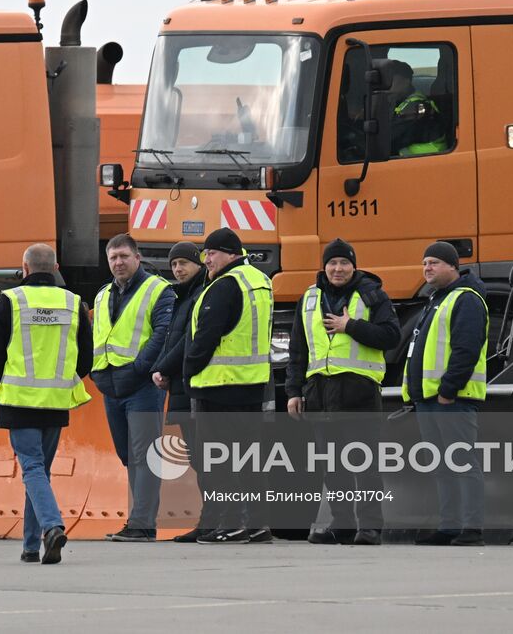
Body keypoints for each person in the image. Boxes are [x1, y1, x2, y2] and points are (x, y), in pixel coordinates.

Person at [285, 238, 401, 546]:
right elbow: (298, 350)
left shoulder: (373, 295)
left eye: (344, 263)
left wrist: (351, 326)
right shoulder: (309, 298)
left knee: (363, 465)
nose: (338, 269)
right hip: (320, 394)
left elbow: (391, 336)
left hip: (359, 394)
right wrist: (293, 391)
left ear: (354, 266)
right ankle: (343, 523)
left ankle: (371, 526)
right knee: (332, 467)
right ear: (324, 267)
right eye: (333, 263)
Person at [0, 243, 93, 565]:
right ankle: (32, 546)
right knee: (39, 472)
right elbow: (85, 356)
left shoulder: (11, 300)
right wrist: (65, 380)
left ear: (25, 268)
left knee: (31, 468)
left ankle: (52, 526)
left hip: (18, 400)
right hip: (56, 402)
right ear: (56, 267)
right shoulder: (73, 303)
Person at [183, 227, 274, 545]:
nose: (207, 259)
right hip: (251, 385)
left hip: (219, 386)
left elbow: (206, 336)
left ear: (232, 254)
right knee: (247, 459)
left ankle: (231, 522)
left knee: (220, 462)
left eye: (213, 253)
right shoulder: (259, 280)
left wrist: (189, 370)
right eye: (205, 253)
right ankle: (256, 523)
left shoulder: (226, 285)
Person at [401, 241, 488, 546]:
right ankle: (450, 525)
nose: (428, 268)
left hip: (451, 399)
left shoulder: (466, 300)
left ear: (453, 266)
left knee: (461, 461)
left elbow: (466, 350)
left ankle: (471, 527)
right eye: (425, 262)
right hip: (430, 399)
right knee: (441, 464)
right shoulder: (437, 300)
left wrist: (448, 390)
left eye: (435, 262)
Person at [91, 234, 173, 542]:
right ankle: (139, 519)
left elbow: (163, 333)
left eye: (124, 256)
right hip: (111, 386)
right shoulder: (102, 295)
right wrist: (94, 371)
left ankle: (142, 523)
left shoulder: (157, 290)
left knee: (144, 454)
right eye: (113, 258)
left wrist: (141, 368)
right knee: (127, 454)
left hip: (142, 386)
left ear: (137, 257)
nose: (118, 262)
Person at [151, 242, 209, 542]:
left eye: (184, 263)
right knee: (199, 459)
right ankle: (209, 519)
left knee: (206, 458)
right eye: (174, 264)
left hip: (193, 386)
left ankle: (213, 520)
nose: (178, 269)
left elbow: (187, 340)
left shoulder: (199, 295)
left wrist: (164, 368)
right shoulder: (183, 296)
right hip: (184, 385)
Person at [385, 60, 448, 157]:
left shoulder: (416, 107)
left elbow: (389, 141)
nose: (387, 84)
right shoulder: (401, 101)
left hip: (428, 163)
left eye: (391, 79)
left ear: (406, 81)